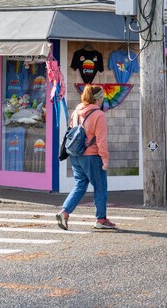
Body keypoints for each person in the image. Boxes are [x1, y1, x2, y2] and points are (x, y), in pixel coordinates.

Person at [56, 85, 115, 230]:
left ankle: (64, 212)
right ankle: (100, 220)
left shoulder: (77, 111)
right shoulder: (99, 115)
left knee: (80, 185)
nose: (103, 100)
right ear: (98, 98)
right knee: (100, 187)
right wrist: (105, 159)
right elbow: (101, 140)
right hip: (92, 156)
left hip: (75, 155)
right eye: (102, 97)